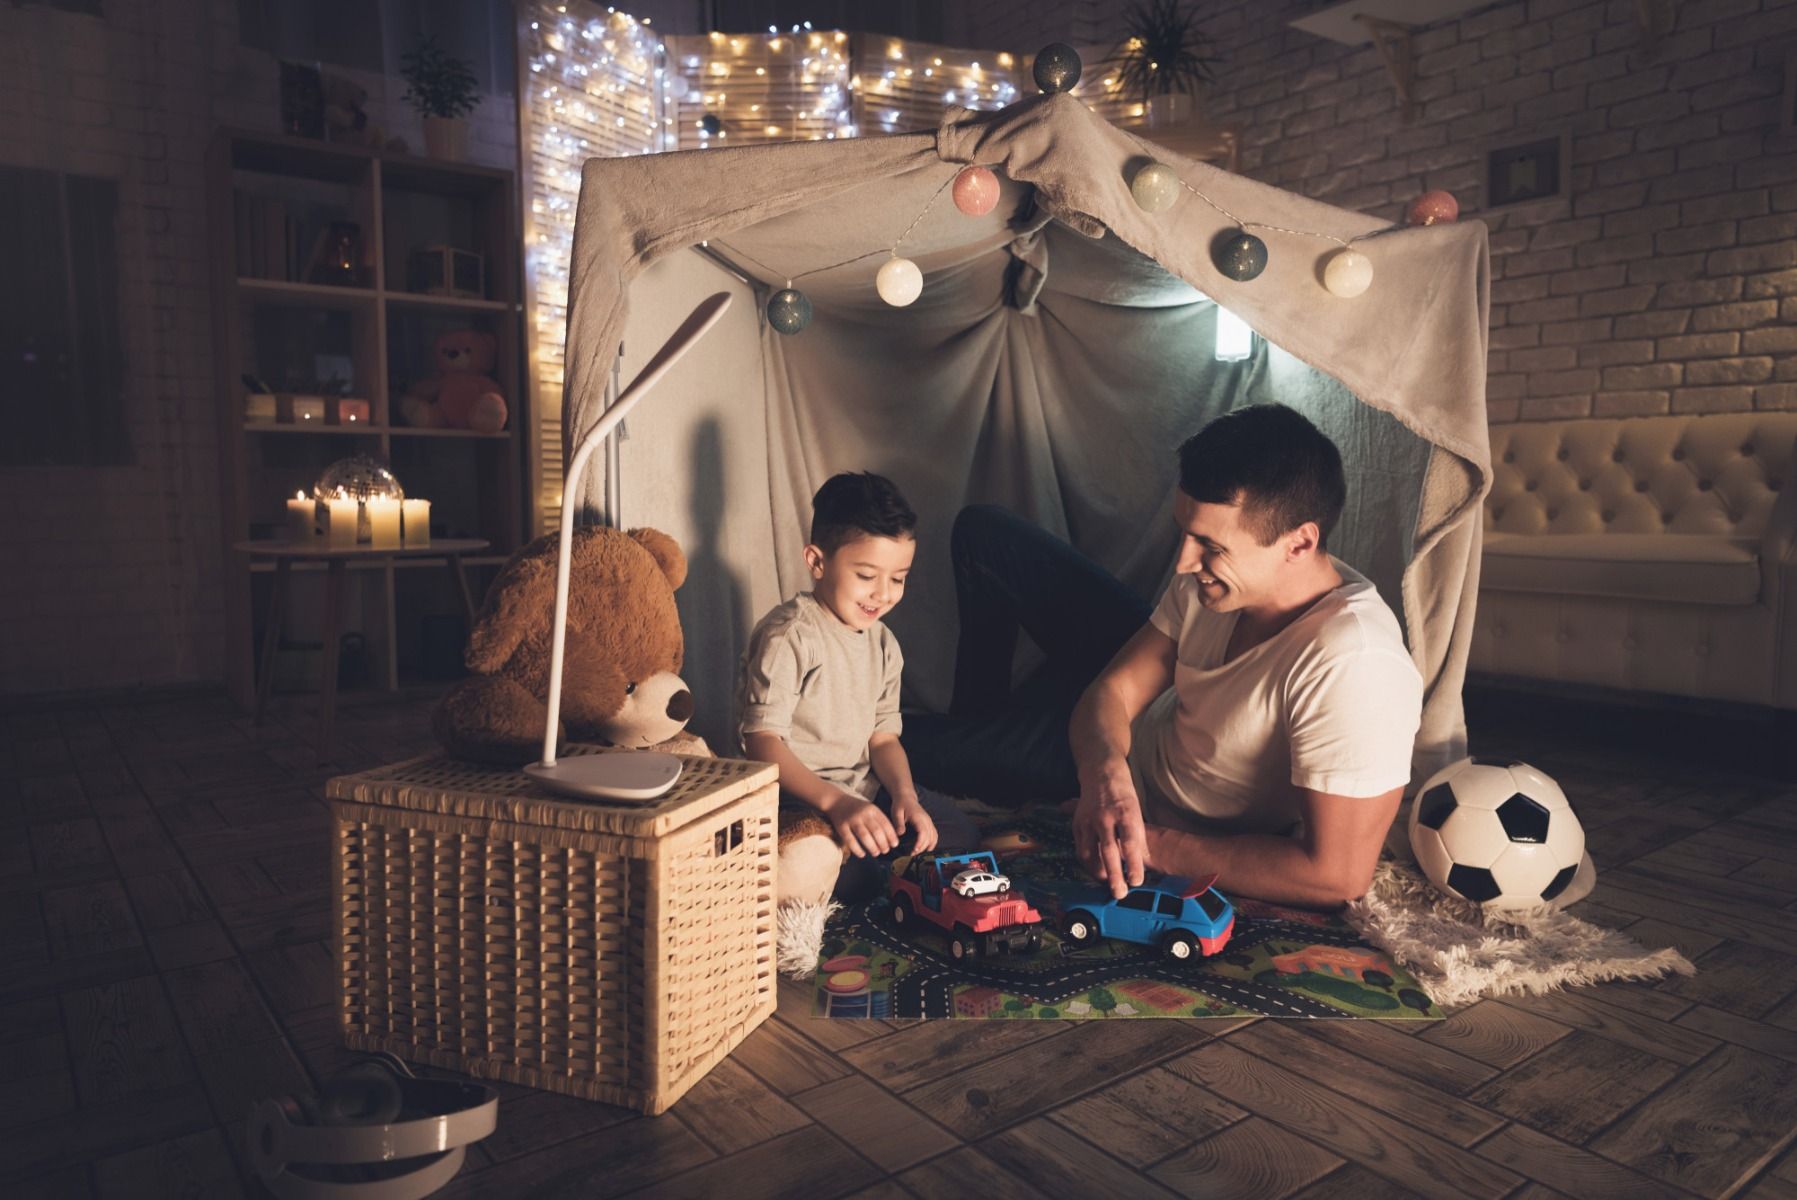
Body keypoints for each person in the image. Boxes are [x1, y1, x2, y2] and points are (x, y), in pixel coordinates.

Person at [905, 404, 1423, 908]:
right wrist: (1105, 773)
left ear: (1298, 544)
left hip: (1140, 784)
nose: (1183, 562)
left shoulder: (1355, 662)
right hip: (1127, 741)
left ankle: (980, 753)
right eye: (1185, 532)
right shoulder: (1216, 581)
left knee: (895, 749)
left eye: (1209, 545)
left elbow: (1336, 876)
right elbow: (1113, 691)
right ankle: (985, 734)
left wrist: (1143, 838)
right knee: (984, 533)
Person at [736, 472, 979, 898]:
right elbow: (762, 743)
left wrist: (904, 796)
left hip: (859, 790)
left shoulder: (884, 644)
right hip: (797, 798)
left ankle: (868, 859)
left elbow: (882, 739)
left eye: (898, 578)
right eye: (866, 575)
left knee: (956, 832)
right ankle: (848, 868)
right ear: (816, 561)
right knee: (846, 871)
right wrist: (835, 802)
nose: (883, 595)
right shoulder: (791, 635)